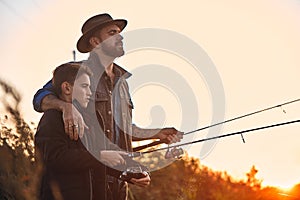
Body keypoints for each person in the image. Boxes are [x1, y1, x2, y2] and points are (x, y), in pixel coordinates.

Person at [33, 13, 183, 199]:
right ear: (96, 41)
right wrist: (66, 107)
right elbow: (39, 98)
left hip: (118, 182)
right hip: (86, 181)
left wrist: (157, 133)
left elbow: (124, 130)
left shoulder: (123, 84)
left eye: (120, 32)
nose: (120, 37)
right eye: (112, 33)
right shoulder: (77, 73)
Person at [35, 62, 150, 200]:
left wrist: (133, 172)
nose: (90, 93)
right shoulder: (52, 117)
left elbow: (102, 156)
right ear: (67, 88)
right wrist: (100, 156)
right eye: (84, 86)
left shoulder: (92, 120)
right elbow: (54, 158)